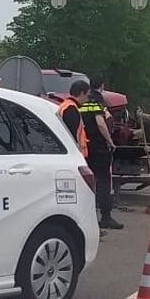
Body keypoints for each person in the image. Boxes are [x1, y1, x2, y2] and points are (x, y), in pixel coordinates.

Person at [77, 79, 120, 230]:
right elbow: (101, 123)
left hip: (84, 149)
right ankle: (106, 217)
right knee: (103, 182)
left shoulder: (79, 104)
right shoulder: (97, 102)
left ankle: (87, 217)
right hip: (99, 148)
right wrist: (110, 141)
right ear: (102, 86)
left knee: (87, 183)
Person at [57, 82, 89, 157]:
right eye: (87, 95)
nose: (87, 99)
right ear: (82, 93)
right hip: (75, 154)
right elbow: (72, 134)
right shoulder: (71, 109)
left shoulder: (65, 105)